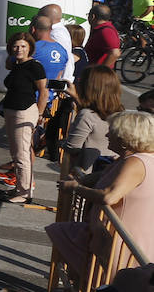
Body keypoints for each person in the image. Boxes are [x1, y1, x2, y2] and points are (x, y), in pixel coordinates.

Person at [47, 110, 154, 283]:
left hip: (122, 241)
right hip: (111, 235)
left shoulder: (136, 162)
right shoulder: (130, 159)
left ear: (125, 138)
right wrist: (81, 180)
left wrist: (75, 188)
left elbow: (109, 196)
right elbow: (101, 177)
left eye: (111, 130)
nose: (106, 134)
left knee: (106, 282)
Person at [0, 32, 48, 204]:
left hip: (24, 112)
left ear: (30, 49)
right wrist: (11, 57)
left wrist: (40, 114)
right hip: (11, 111)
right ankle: (20, 187)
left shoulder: (35, 66)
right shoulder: (17, 64)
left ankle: (25, 193)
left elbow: (44, 91)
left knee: (22, 154)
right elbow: (8, 66)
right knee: (16, 152)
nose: (19, 49)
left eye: (23, 46)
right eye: (16, 46)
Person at [62, 65, 122, 173]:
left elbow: (72, 147)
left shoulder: (87, 115)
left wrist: (60, 143)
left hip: (86, 175)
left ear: (88, 88)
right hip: (110, 171)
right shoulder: (120, 114)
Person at [39, 4, 75, 83]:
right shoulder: (59, 30)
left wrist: (64, 80)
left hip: (56, 81)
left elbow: (64, 57)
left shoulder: (56, 33)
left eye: (39, 16)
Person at [31, 15, 68, 84]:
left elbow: (10, 64)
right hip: (50, 93)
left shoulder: (31, 48)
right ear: (51, 29)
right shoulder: (62, 50)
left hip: (32, 93)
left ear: (33, 29)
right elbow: (59, 75)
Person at [85, 4, 121, 69]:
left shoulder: (106, 31)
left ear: (93, 16)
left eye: (88, 15)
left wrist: (101, 70)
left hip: (96, 74)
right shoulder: (101, 29)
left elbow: (115, 53)